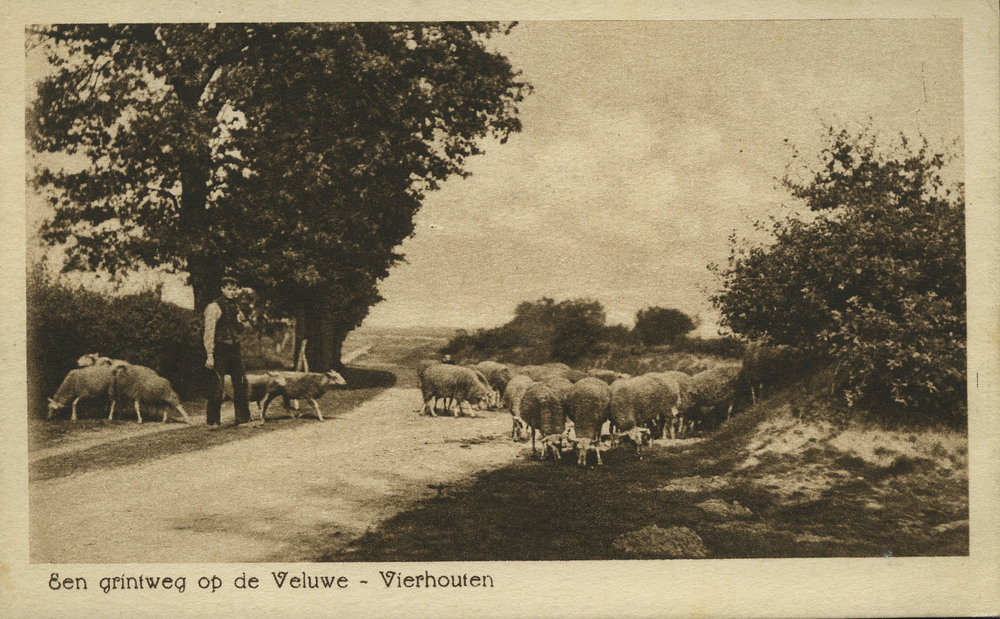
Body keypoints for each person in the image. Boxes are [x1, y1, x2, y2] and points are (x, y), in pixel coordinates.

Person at [203, 274, 255, 428]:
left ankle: (243, 419)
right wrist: (209, 355)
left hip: (234, 350)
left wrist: (242, 322)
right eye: (230, 289)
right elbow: (209, 333)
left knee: (241, 383)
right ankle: (213, 421)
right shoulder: (214, 307)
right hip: (219, 350)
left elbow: (241, 329)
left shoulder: (236, 307)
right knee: (217, 385)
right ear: (222, 289)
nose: (233, 292)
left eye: (235, 289)